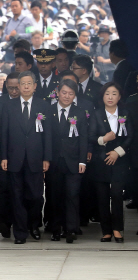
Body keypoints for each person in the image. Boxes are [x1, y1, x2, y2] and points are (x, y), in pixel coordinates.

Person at [0, 71, 52, 244]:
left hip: (36, 159)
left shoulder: (43, 106)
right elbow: (4, 133)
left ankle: (34, 225)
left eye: (29, 83)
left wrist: (46, 157)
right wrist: (4, 157)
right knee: (17, 196)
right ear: (18, 86)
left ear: (35, 86)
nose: (26, 87)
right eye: (23, 84)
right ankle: (20, 233)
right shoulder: (9, 106)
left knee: (36, 196)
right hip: (15, 158)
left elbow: (47, 135)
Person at [45, 79, 87, 243]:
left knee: (72, 195)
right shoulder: (48, 111)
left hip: (74, 162)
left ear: (74, 95)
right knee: (54, 196)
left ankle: (71, 229)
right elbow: (46, 137)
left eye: (71, 93)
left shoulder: (80, 112)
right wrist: (45, 159)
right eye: (64, 93)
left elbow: (83, 139)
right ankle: (56, 229)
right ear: (57, 93)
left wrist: (82, 161)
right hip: (54, 161)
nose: (67, 96)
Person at [89, 82, 132, 242]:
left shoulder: (125, 113)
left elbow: (130, 137)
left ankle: (117, 229)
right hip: (101, 161)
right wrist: (103, 139)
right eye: (107, 93)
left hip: (119, 161)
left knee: (116, 195)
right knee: (102, 197)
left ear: (119, 97)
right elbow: (91, 137)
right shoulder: (97, 114)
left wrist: (117, 152)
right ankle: (106, 231)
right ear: (103, 96)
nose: (110, 97)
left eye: (114, 93)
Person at [0, 71, 20, 237]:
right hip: (4, 154)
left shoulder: (30, 103)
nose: (14, 91)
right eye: (10, 88)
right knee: (5, 191)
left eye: (17, 88)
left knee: (21, 191)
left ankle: (22, 223)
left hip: (24, 154)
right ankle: (4, 222)